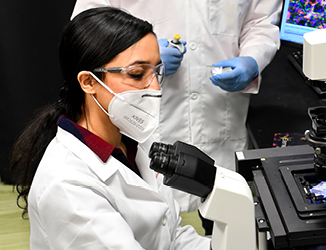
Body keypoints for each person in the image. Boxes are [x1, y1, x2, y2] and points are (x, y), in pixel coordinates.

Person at [71, 0, 283, 234]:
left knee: (224, 213)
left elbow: (260, 21)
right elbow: (87, 27)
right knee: (147, 221)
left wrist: (253, 59)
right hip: (142, 117)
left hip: (218, 114)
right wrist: (142, 53)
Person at [10, 7, 211, 249]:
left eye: (158, 71)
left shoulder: (134, 143)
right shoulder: (67, 184)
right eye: (137, 74)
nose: (155, 88)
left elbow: (170, 235)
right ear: (88, 82)